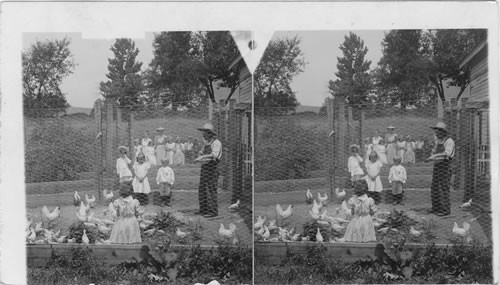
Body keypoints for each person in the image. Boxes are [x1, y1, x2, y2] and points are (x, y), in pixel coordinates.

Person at [426, 122, 455, 216]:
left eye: (438, 131)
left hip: (445, 166)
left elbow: (447, 154)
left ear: (443, 132)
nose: (436, 133)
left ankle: (445, 210)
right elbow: (434, 150)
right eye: (436, 131)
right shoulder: (438, 140)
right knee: (434, 187)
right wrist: (431, 154)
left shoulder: (449, 141)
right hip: (437, 165)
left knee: (443, 188)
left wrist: (434, 155)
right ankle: (436, 208)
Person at [194, 123, 222, 218]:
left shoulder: (216, 143)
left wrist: (202, 156)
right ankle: (203, 209)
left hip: (212, 168)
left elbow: (214, 155)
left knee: (211, 189)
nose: (203, 135)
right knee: (202, 189)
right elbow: (202, 151)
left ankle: (213, 211)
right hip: (205, 168)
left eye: (205, 133)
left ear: (210, 133)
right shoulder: (207, 143)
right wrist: (200, 153)